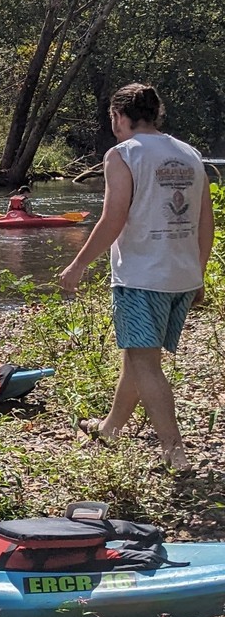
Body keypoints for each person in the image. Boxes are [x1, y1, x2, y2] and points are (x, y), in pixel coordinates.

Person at [59, 83, 214, 471]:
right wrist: (199, 272)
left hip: (142, 276)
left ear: (119, 116)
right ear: (156, 115)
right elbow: (205, 222)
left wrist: (78, 265)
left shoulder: (123, 154)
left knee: (145, 363)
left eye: (113, 118)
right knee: (137, 355)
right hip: (181, 275)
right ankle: (110, 428)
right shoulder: (190, 154)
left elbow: (114, 218)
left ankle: (174, 452)